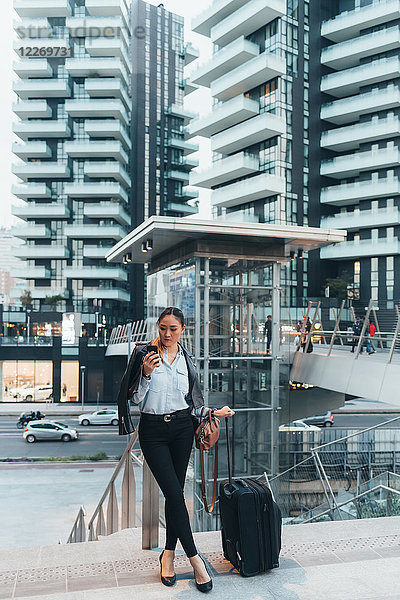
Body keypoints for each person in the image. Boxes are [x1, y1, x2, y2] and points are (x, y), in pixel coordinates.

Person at [117, 306, 235, 593]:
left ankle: (168, 555)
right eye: (162, 328)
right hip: (153, 431)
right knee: (173, 493)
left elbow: (192, 402)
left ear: (183, 330)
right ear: (157, 328)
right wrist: (145, 373)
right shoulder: (144, 355)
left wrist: (214, 412)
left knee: (175, 495)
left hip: (182, 429)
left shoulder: (187, 359)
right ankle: (195, 559)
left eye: (173, 328)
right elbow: (134, 400)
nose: (167, 334)